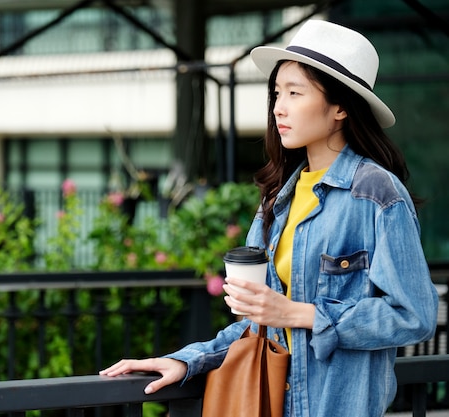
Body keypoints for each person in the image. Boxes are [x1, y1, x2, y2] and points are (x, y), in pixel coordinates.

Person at [99, 19, 439, 417]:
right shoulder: (277, 200)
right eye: (277, 92)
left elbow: (413, 315)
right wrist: (188, 360)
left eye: (295, 93)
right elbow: (256, 325)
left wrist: (300, 313)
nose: (279, 106)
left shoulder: (377, 194)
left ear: (341, 106)